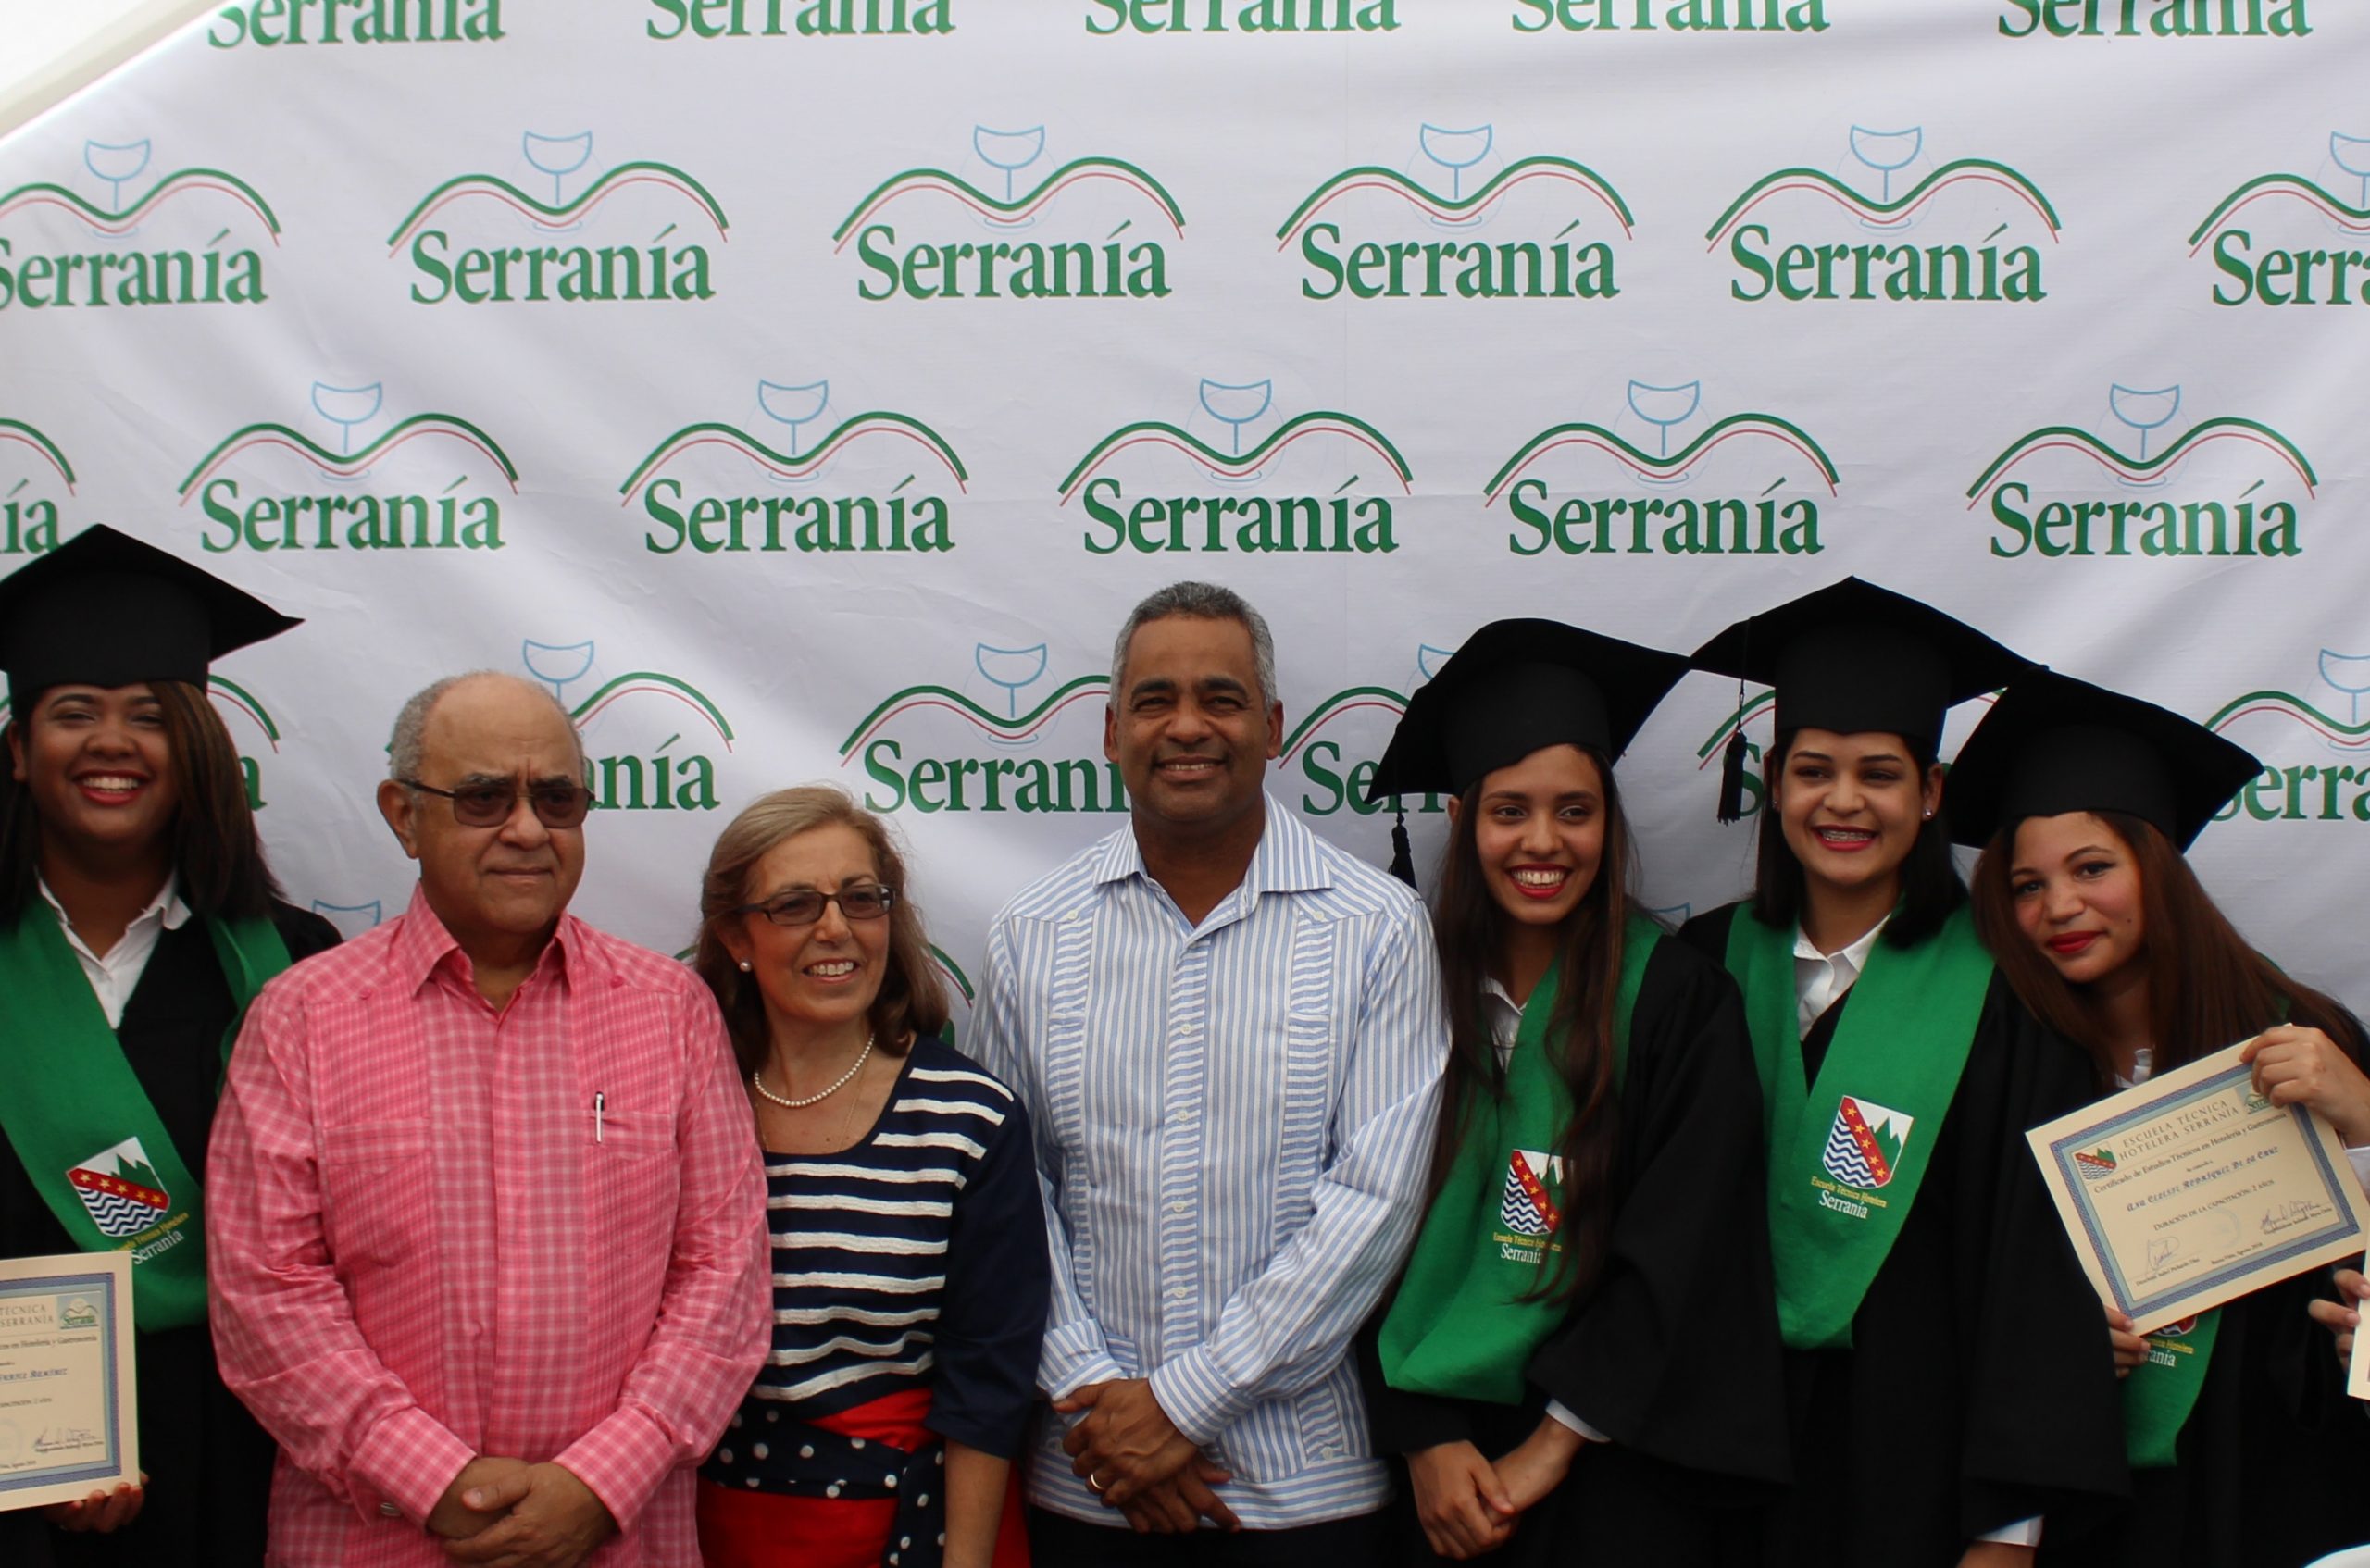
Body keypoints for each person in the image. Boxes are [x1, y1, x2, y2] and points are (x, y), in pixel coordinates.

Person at [206, 670, 771, 1568]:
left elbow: (724, 1274)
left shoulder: (669, 1010)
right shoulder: (302, 1018)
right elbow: (268, 1293)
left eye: (555, 797)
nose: (525, 828)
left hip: (616, 1536)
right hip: (373, 1536)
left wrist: (598, 1482)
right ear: (402, 814)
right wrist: (437, 1481)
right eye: (482, 797)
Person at [969, 580, 1448, 1562]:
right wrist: (1100, 1407)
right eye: (1155, 700)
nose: (1187, 724)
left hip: (1307, 1496)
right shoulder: (1031, 933)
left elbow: (1374, 1204)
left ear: (1272, 726)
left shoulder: (1378, 929)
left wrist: (1181, 1405)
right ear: (1111, 731)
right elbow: (1012, 1197)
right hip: (1085, 1479)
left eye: (1221, 698)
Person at [1679, 577, 2126, 1568]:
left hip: (1914, 1474)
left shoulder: (2007, 994)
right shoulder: (1702, 967)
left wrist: (2005, 1530)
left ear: (1928, 794)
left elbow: (2032, 1274)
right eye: (1812, 770)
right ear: (1775, 784)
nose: (1844, 801)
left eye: (1879, 773)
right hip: (1706, 1460)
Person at [1355, 619, 1789, 1565]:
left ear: (1609, 821)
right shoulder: (1403, 994)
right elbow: (1349, 1223)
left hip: (1616, 1464)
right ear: (1466, 820)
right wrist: (1421, 1433)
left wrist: (1551, 1446)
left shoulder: (1678, 1001)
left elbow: (1685, 1245)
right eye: (1509, 810)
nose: (1542, 841)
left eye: (1574, 810)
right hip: (1431, 1466)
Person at [1947, 666, 2370, 1568]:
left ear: (2157, 865)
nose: (2058, 906)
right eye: (2026, 884)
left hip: (2267, 1481)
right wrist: (2052, 1348)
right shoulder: (2006, 1065)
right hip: (2075, 1497)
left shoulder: (2302, 1037)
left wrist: (2366, 1122)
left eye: (2091, 867)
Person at [0, 526, 338, 1568]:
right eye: (73, 712)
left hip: (245, 1465)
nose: (113, 741)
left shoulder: (293, 963)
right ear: (17, 748)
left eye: (150, 714)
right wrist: (32, 1441)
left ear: (196, 748)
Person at [688, 786, 1047, 1568]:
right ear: (734, 936)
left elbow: (987, 1383)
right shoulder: (683, 1104)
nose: (835, 928)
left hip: (917, 1531)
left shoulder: (969, 1118)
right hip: (707, 1529)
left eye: (861, 898)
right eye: (793, 905)